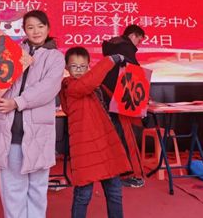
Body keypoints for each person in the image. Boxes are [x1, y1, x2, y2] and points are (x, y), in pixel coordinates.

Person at [0, 10, 65, 218]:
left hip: (38, 134)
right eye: (30, 27)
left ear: (48, 28)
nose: (36, 31)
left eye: (40, 26)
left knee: (37, 190)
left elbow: (48, 88)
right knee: (12, 189)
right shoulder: (13, 51)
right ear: (24, 30)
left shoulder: (56, 57)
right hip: (10, 133)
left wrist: (17, 102)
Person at [60, 47, 131, 218]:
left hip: (104, 147)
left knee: (115, 192)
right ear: (67, 68)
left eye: (83, 66)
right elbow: (88, 82)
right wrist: (111, 59)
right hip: (86, 151)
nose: (79, 70)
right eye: (74, 66)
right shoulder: (71, 87)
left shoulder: (92, 89)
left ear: (88, 67)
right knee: (83, 195)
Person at [101, 24, 146, 188]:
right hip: (123, 99)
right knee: (128, 136)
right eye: (139, 40)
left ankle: (118, 170)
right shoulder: (126, 48)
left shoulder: (111, 47)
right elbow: (135, 74)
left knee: (116, 135)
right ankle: (132, 174)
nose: (138, 45)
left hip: (108, 96)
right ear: (133, 35)